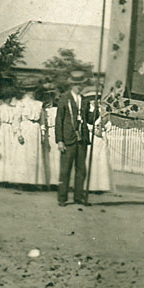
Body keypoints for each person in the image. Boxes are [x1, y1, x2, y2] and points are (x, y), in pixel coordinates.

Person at [55, 70, 92, 206]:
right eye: (77, 84)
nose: (79, 87)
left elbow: (89, 119)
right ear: (72, 85)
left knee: (81, 170)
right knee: (65, 170)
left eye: (81, 84)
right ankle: (62, 198)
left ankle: (78, 197)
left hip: (81, 139)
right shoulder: (64, 99)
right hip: (68, 139)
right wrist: (60, 140)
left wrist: (99, 112)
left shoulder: (85, 100)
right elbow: (59, 120)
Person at [14, 80, 48, 187]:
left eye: (33, 90)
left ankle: (34, 181)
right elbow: (16, 119)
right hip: (25, 127)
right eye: (29, 90)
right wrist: (19, 134)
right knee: (24, 155)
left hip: (35, 129)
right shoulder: (21, 103)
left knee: (34, 154)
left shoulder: (39, 104)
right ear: (25, 91)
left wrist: (42, 133)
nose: (31, 93)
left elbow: (42, 120)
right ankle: (23, 182)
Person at [84, 89, 113, 194]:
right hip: (89, 137)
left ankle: (100, 186)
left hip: (99, 138)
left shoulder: (103, 111)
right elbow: (82, 122)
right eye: (91, 98)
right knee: (89, 160)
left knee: (100, 161)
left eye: (95, 98)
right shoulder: (85, 110)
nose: (93, 101)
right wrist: (91, 128)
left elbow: (108, 123)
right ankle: (88, 186)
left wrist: (102, 129)